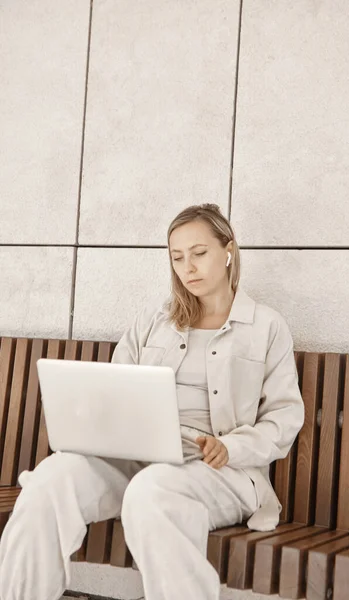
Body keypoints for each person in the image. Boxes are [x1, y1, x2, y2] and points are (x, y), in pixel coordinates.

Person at [0, 203, 304, 600]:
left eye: (199, 253)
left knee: (153, 491)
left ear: (228, 251)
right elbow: (117, 388)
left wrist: (230, 447)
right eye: (177, 257)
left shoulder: (266, 326)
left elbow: (284, 416)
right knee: (49, 481)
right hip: (139, 456)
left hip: (221, 470)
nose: (187, 267)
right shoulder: (154, 320)